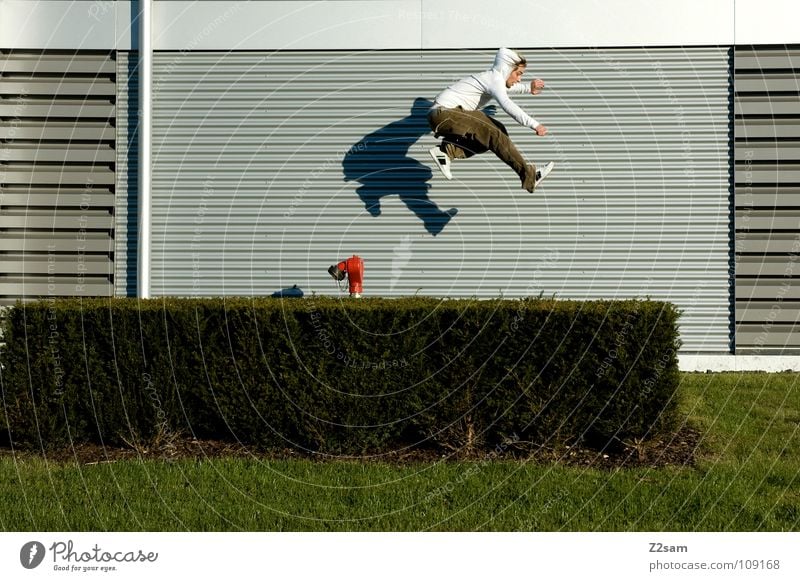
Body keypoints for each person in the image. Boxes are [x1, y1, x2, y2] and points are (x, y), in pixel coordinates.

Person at [427, 47, 554, 193]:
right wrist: (534, 124)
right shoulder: (494, 79)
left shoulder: (494, 79)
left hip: (442, 115)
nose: (519, 79)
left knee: (493, 135)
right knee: (492, 131)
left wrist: (527, 88)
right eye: (518, 74)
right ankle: (529, 175)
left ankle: (446, 152)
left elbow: (508, 88)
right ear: (507, 69)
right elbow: (507, 104)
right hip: (444, 113)